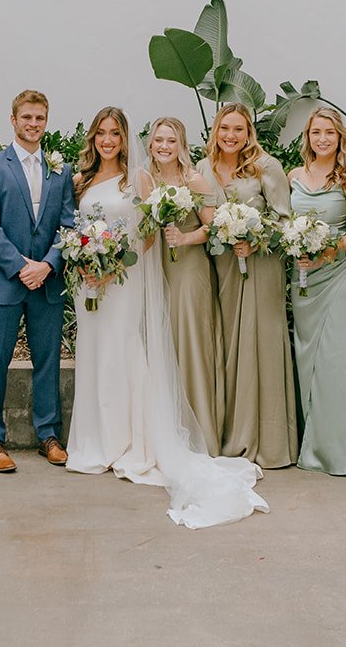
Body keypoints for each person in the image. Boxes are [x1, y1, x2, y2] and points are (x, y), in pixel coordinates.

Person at [64, 107, 267, 528]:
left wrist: (113, 265)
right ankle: (94, 440)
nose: (107, 140)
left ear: (125, 139)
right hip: (89, 281)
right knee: (95, 355)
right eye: (101, 133)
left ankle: (128, 441)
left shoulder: (138, 180)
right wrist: (86, 262)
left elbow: (147, 235)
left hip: (123, 279)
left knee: (125, 352)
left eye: (115, 133)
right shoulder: (80, 180)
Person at [0, 89, 76, 474]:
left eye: (40, 118)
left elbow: (68, 224)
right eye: (27, 117)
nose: (33, 124)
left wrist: (47, 265)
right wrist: (20, 266)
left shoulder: (60, 170)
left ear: (46, 122)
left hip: (47, 282)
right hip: (6, 281)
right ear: (13, 120)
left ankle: (49, 435)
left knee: (48, 361)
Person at [195, 102, 296, 469]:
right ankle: (228, 432)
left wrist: (255, 241)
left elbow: (284, 219)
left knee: (260, 344)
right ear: (216, 131)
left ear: (249, 132)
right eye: (225, 128)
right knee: (227, 345)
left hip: (261, 264)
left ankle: (267, 440)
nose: (231, 135)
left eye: (239, 129)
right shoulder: (202, 168)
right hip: (221, 268)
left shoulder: (266, 166)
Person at [287, 108, 346, 476]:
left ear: (340, 138)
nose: (322, 139)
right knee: (308, 360)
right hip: (304, 278)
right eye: (316, 132)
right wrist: (297, 247)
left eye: (329, 133)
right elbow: (286, 223)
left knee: (338, 361)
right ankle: (312, 443)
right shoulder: (294, 176)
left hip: (339, 276)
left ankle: (341, 452)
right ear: (307, 137)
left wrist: (328, 252)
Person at [142, 116, 221, 450]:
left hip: (188, 269)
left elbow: (213, 227)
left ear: (181, 145)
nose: (164, 146)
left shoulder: (194, 180)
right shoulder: (145, 179)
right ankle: (166, 430)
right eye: (159, 140)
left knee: (189, 345)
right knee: (162, 346)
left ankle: (200, 432)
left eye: (171, 141)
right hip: (156, 268)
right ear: (150, 144)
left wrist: (185, 238)